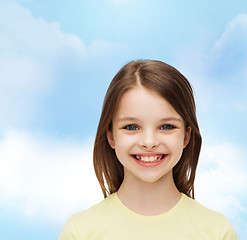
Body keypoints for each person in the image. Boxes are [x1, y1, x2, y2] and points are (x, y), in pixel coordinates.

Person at [58, 60, 239, 240]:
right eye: (131, 127)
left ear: (186, 136)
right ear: (111, 136)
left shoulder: (217, 232)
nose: (149, 142)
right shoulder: (80, 232)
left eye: (167, 126)